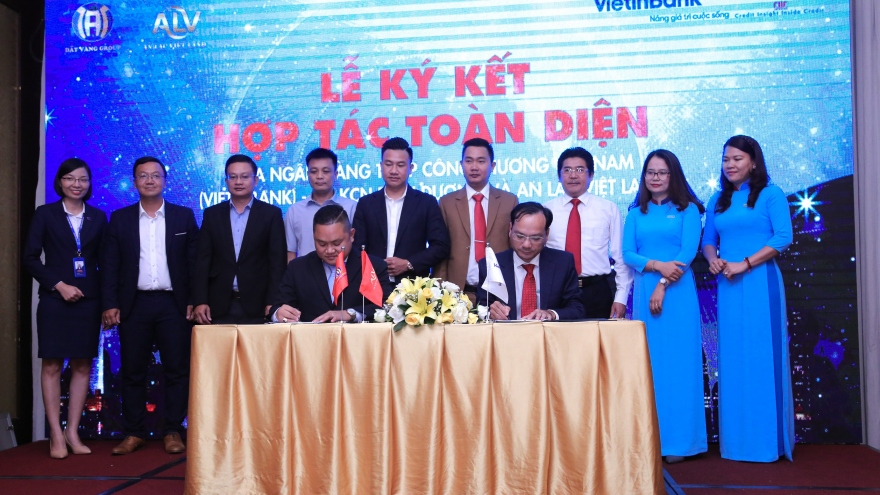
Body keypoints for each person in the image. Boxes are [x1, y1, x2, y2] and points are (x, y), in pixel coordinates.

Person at [702, 135, 794, 462]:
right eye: (726, 159)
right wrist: (713, 259)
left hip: (760, 282)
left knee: (761, 357)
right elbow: (709, 240)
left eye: (737, 159)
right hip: (728, 285)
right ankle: (736, 443)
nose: (730, 165)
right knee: (732, 359)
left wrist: (746, 263)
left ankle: (767, 443)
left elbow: (783, 237)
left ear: (753, 162)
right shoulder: (718, 199)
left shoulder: (771, 194)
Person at [101, 156, 199, 456]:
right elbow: (110, 265)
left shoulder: (183, 216)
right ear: (134, 182)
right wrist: (110, 303)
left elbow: (195, 263)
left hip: (174, 304)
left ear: (165, 181)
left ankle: (173, 431)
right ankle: (134, 433)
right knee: (132, 371)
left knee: (177, 370)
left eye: (155, 175)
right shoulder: (120, 219)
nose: (150, 180)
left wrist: (194, 299)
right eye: (143, 176)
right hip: (135, 304)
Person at [622, 149, 707, 463]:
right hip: (645, 292)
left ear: (673, 175)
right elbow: (628, 254)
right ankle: (652, 440)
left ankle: (681, 443)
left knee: (680, 365)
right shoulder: (635, 213)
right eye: (650, 172)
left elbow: (687, 252)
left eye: (662, 172)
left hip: (678, 292)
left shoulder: (688, 210)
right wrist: (658, 266)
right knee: (651, 365)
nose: (655, 178)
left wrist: (662, 283)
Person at [24, 158, 107, 459]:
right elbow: (30, 258)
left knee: (83, 365)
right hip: (54, 300)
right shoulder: (45, 214)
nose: (76, 184)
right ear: (60, 182)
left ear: (89, 183)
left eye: (82, 179)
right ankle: (56, 435)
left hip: (89, 301)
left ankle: (73, 432)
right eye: (70, 178)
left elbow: (106, 262)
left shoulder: (98, 217)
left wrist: (108, 303)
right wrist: (58, 285)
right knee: (52, 366)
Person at [193, 154, 286, 325]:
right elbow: (202, 261)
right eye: (233, 177)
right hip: (218, 304)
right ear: (226, 181)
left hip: (258, 304)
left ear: (255, 180)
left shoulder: (271, 214)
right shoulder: (212, 214)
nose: (238, 182)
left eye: (244, 177)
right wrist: (200, 300)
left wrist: (273, 302)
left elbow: (277, 263)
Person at [544, 147, 632, 318]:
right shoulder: (546, 210)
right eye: (567, 170)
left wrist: (621, 297)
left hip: (597, 291)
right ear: (559, 176)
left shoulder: (608, 209)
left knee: (598, 336)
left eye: (580, 170)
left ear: (591, 175)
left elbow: (620, 257)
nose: (573, 175)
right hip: (557, 290)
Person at [270, 205, 394, 323]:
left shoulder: (374, 265)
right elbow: (278, 307)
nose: (329, 250)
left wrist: (351, 314)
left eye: (336, 243)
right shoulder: (298, 268)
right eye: (322, 244)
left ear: (351, 235)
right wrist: (278, 314)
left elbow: (388, 306)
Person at [352, 137, 450, 280]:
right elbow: (357, 249)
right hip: (373, 285)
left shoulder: (426, 203)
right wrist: (377, 267)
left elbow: (441, 246)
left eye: (400, 165)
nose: (394, 170)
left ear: (411, 168)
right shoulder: (366, 203)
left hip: (414, 287)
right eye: (388, 164)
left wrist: (409, 264)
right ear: (381, 166)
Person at [435, 138, 518, 301]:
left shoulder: (509, 201)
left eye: (481, 161)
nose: (474, 167)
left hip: (499, 294)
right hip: (457, 294)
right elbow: (441, 251)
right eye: (469, 161)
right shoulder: (447, 203)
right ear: (461, 165)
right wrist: (440, 290)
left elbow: (514, 248)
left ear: (492, 166)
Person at [476, 202, 584, 321]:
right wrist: (491, 313)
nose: (526, 245)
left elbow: (577, 308)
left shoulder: (563, 263)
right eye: (520, 236)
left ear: (547, 234)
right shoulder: (491, 265)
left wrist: (552, 314)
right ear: (510, 229)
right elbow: (481, 308)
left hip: (547, 332)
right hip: (506, 332)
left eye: (535, 238)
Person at [284, 147, 357, 261]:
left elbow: (357, 249)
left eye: (326, 171)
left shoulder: (352, 207)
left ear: (336, 174)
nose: (319, 176)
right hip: (306, 272)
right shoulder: (294, 211)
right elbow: (290, 252)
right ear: (307, 174)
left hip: (343, 271)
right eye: (314, 171)